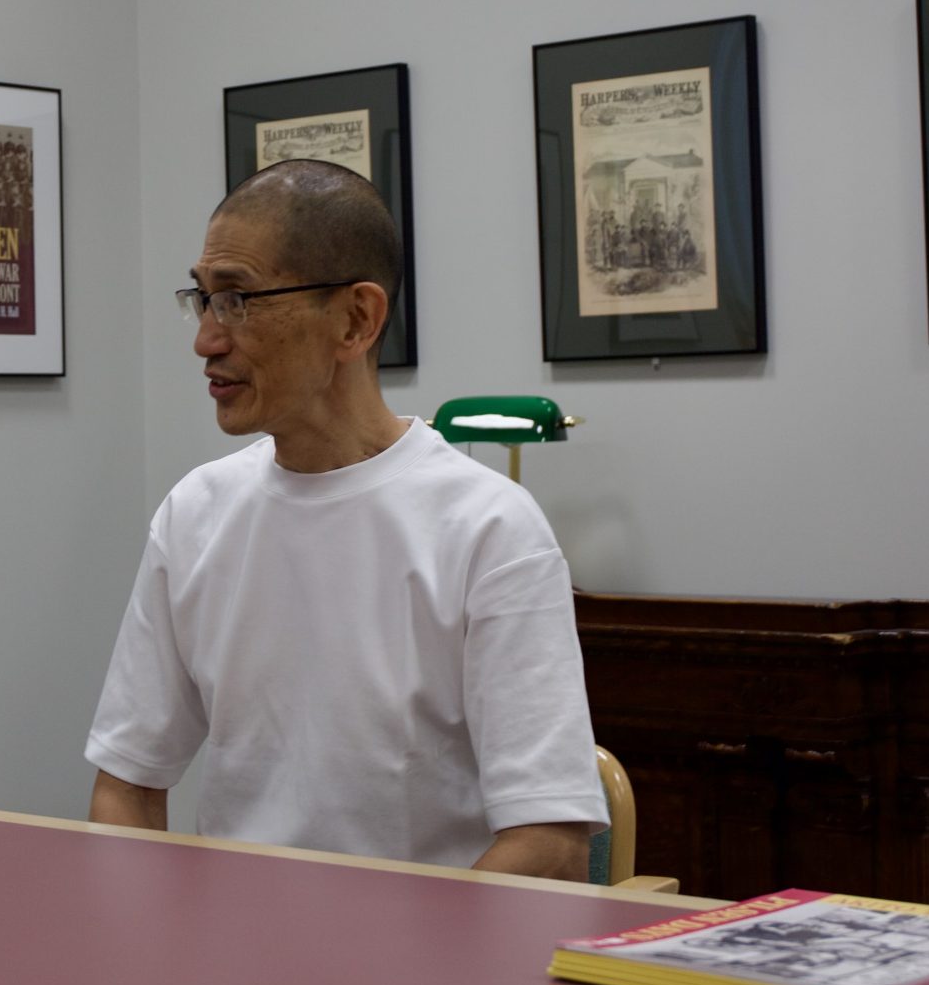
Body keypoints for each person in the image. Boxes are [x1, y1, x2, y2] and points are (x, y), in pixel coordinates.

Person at [85, 159, 606, 878]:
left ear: (356, 319)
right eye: (202, 299)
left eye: (237, 300)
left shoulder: (489, 529)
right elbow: (127, 786)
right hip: (230, 964)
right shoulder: (194, 515)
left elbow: (549, 843)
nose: (206, 339)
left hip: (423, 967)